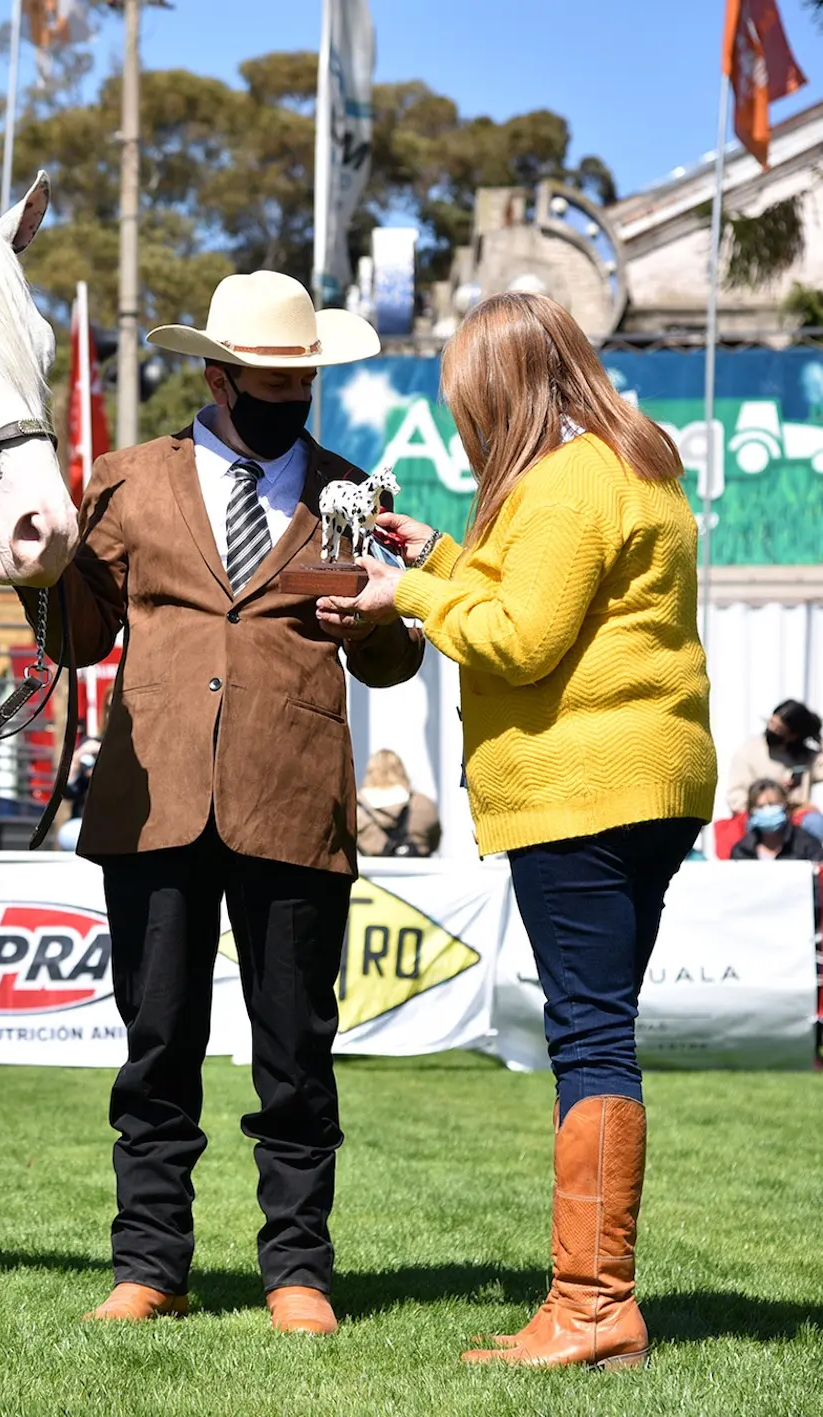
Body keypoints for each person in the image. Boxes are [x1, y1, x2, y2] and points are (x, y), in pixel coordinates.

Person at [19, 270, 422, 1334]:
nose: (287, 396)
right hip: (151, 802)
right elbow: (78, 638)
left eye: (301, 380)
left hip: (293, 800)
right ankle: (148, 1264)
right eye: (265, 379)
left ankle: (298, 1271)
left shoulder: (350, 492)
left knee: (295, 1054)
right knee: (155, 1050)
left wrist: (375, 626)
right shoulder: (121, 481)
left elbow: (390, 664)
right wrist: (40, 564)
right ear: (215, 374)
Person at [327, 291, 717, 1369]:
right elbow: (557, 604)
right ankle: (590, 1301)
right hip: (654, 781)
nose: (462, 422)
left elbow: (521, 639)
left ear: (496, 389)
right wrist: (443, 555)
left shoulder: (556, 485)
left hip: (577, 791)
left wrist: (404, 589)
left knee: (589, 1039)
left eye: (466, 400)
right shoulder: (628, 462)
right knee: (599, 1028)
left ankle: (592, 1307)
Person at [724, 699, 820, 817]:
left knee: (814, 820)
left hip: (795, 821)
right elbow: (736, 796)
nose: (772, 731)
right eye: (771, 724)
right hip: (759, 818)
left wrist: (818, 737)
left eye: (779, 730)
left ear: (793, 736)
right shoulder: (749, 752)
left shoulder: (804, 756)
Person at [354, 750, 441, 858]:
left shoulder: (354, 810)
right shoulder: (423, 804)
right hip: (419, 871)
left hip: (371, 872)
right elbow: (434, 840)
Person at [728, 779, 823, 863]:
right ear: (751, 811)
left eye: (772, 804)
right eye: (761, 806)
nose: (767, 810)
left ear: (785, 807)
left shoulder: (807, 844)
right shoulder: (742, 850)